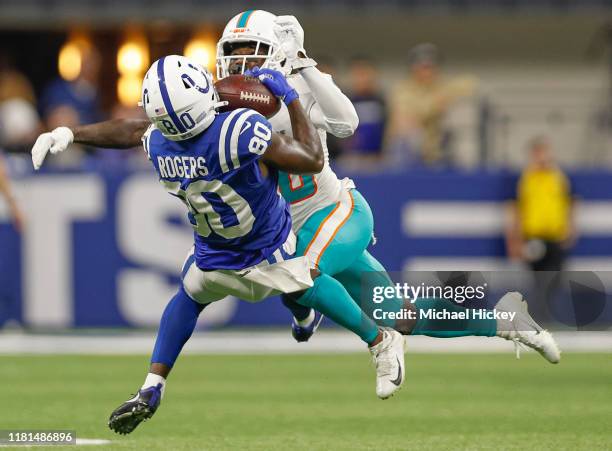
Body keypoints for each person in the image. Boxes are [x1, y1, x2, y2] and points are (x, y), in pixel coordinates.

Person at [32, 10, 561, 416]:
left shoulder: (295, 85)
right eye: (233, 52)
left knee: (300, 275)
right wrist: (70, 133)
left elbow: (348, 124)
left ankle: (352, 332)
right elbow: (146, 127)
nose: (240, 63)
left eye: (251, 51)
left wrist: (302, 71)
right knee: (399, 310)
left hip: (336, 211)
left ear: (278, 51)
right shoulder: (217, 99)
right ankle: (505, 319)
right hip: (295, 225)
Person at [32, 55, 406, 433]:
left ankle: (152, 385)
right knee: (306, 276)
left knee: (188, 296)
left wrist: (70, 132)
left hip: (212, 261)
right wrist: (291, 97)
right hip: (267, 254)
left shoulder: (162, 146)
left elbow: (131, 132)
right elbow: (310, 159)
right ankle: (380, 340)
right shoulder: (238, 131)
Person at [387, 43, 477, 166]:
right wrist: (436, 104)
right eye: (423, 67)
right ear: (413, 68)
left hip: (437, 153)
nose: (427, 71)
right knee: (410, 134)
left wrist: (441, 100)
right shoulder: (403, 90)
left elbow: (470, 83)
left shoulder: (441, 86)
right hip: (408, 155)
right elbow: (408, 119)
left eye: (431, 66)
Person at [506, 136, 576, 271]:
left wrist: (571, 229)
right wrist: (514, 240)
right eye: (537, 153)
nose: (541, 157)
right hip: (533, 236)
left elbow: (570, 205)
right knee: (538, 277)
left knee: (555, 276)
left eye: (544, 152)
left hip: (556, 237)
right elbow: (514, 210)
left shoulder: (559, 178)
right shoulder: (524, 179)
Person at [341, 56, 387, 164]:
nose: (362, 79)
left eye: (365, 74)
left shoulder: (380, 101)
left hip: (377, 158)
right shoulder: (344, 101)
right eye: (358, 74)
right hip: (351, 158)